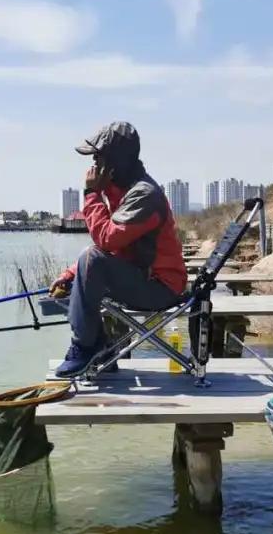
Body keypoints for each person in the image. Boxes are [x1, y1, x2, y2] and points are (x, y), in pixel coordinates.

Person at [51, 122, 187, 377]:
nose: (92, 164)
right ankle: (102, 349)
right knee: (89, 263)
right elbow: (113, 246)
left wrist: (91, 193)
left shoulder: (144, 195)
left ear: (115, 161)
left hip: (161, 288)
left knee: (92, 258)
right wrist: (71, 275)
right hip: (143, 279)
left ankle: (85, 347)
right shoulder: (122, 191)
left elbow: (106, 240)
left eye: (97, 156)